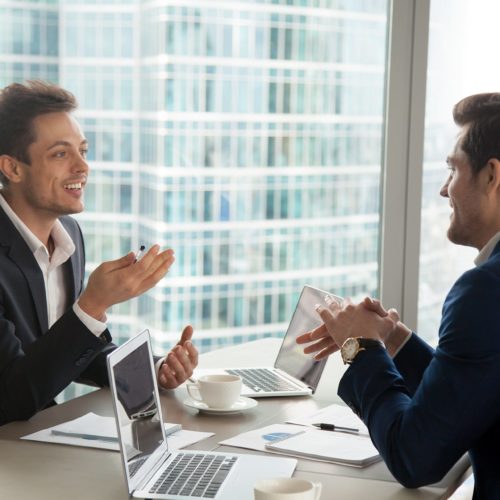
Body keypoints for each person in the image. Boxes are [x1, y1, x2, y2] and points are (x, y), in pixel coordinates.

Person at [297, 92, 500, 499]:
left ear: (492, 175)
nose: (445, 190)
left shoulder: (485, 291)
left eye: (453, 170)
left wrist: (358, 348)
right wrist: (392, 339)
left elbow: (415, 457)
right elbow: (467, 392)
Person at [0, 81, 198, 426]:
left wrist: (154, 369)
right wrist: (93, 304)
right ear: (13, 168)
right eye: (61, 154)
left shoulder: (67, 236)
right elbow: (10, 397)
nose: (82, 167)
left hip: (34, 441)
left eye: (83, 151)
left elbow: (75, 350)